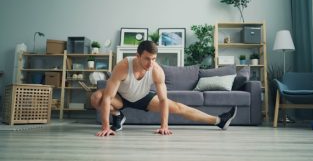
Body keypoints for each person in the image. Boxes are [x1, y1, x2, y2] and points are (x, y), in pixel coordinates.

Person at [91, 40, 237, 136]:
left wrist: (164, 126)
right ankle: (118, 116)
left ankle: (219, 120)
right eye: (147, 59)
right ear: (137, 56)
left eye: (154, 59)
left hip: (143, 97)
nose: (150, 63)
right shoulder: (123, 67)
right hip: (120, 98)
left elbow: (163, 100)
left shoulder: (156, 70)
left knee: (179, 107)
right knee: (97, 97)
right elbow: (108, 97)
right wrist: (105, 127)